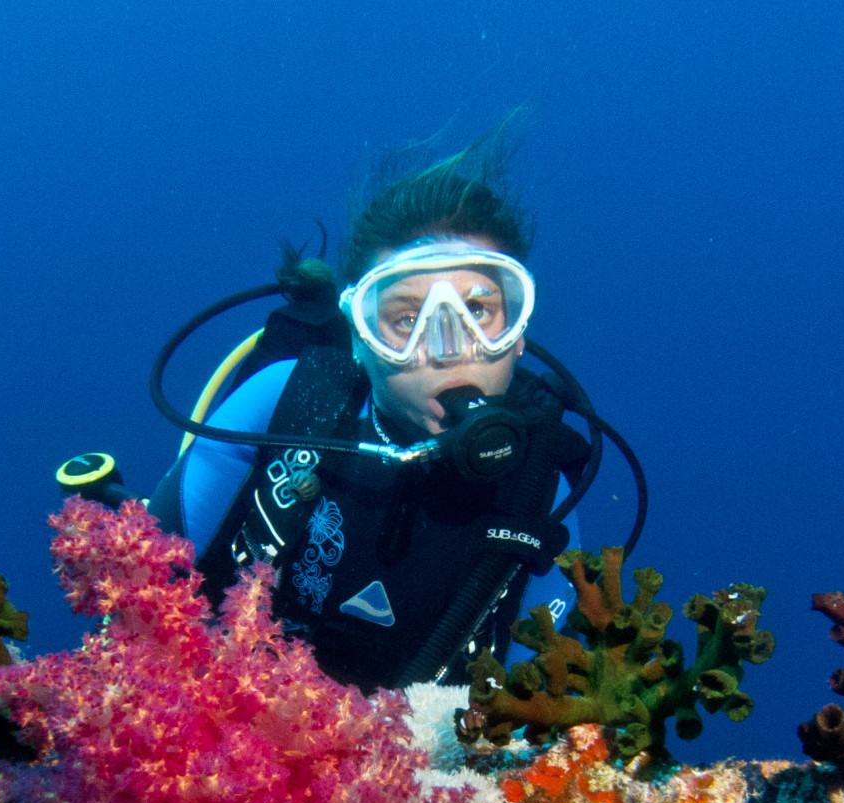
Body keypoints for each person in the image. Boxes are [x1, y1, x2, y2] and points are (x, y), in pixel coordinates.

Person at [148, 146, 597, 693]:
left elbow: (534, 698)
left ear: (518, 332)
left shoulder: (539, 482)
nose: (449, 350)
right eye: (406, 319)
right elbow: (146, 598)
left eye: (478, 311)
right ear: (359, 336)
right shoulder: (286, 403)